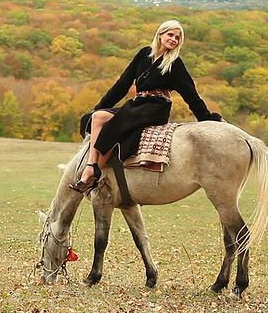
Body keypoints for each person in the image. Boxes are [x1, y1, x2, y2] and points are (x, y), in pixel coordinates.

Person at [69, 19, 223, 193]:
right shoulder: (144, 54)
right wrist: (101, 106)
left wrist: (206, 117)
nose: (173, 39)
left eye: (178, 38)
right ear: (160, 34)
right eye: (170, 35)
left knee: (115, 125)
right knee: (97, 117)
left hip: (156, 108)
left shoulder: (175, 64)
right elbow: (122, 83)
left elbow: (191, 94)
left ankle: (90, 175)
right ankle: (92, 167)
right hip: (137, 104)